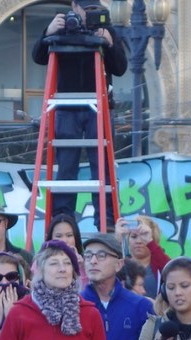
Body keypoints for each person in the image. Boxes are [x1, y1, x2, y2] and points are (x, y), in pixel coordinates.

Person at [32, 1, 127, 224]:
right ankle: (62, 220)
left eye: (96, 10)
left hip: (99, 107)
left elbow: (120, 68)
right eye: (87, 10)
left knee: (101, 166)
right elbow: (38, 56)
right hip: (67, 107)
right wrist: (48, 31)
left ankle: (107, 220)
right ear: (75, 7)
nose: (91, 15)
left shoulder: (107, 29)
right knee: (66, 166)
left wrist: (110, 44)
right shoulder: (63, 27)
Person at [119, 216, 170, 294]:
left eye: (144, 235)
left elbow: (171, 268)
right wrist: (117, 239)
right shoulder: (121, 264)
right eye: (134, 236)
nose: (138, 241)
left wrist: (150, 242)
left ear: (154, 240)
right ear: (128, 239)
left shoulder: (161, 264)